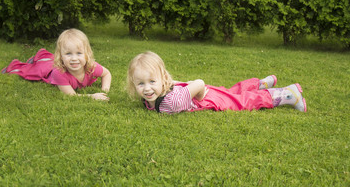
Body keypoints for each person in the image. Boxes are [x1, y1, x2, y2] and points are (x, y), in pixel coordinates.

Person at [127, 51, 307, 114]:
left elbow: (199, 82)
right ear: (133, 84)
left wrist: (200, 92)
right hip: (201, 93)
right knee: (232, 91)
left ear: (163, 78)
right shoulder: (151, 97)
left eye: (152, 81)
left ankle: (287, 94)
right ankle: (260, 84)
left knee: (242, 102)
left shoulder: (170, 103)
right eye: (141, 84)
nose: (147, 88)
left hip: (206, 97)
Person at [2, 28, 112, 101]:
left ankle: (42, 55)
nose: (74, 59)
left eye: (79, 53)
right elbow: (70, 95)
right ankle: (27, 62)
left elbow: (106, 74)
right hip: (50, 71)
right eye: (68, 54)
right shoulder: (59, 73)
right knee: (35, 70)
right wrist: (92, 96)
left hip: (56, 63)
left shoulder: (91, 67)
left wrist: (105, 89)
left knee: (48, 61)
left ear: (87, 54)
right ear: (60, 55)